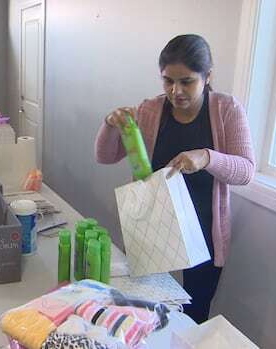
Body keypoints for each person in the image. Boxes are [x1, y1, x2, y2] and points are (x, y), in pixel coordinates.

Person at [95, 34, 255, 323]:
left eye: (186, 81)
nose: (175, 90)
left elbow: (245, 170)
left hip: (204, 232)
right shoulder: (150, 110)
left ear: (207, 77)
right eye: (168, 80)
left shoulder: (226, 109)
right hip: (151, 226)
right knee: (144, 311)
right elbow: (105, 156)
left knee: (192, 315)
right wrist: (109, 124)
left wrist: (207, 157)